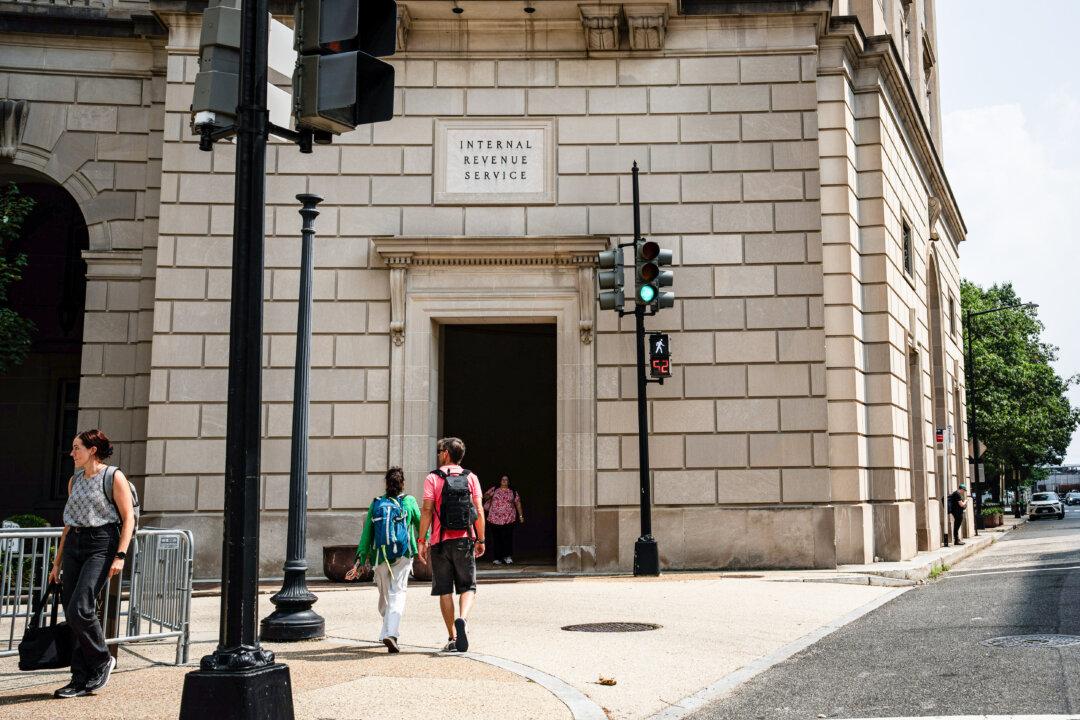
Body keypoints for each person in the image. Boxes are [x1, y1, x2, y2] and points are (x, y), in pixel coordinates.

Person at [47, 429, 135, 698]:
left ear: (92, 450)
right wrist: (56, 562)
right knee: (73, 615)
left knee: (80, 608)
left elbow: (128, 518)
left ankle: (101, 660)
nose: (72, 453)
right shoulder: (75, 481)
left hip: (101, 543)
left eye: (77, 448)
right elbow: (68, 524)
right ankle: (79, 678)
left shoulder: (113, 476)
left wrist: (120, 555)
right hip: (74, 543)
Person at [418, 437, 485, 653]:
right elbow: (479, 509)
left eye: (439, 451)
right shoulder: (471, 477)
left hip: (439, 542)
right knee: (468, 586)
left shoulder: (432, 478)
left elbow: (427, 510)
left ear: (446, 453)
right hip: (465, 539)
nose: (438, 455)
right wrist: (480, 539)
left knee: (445, 590)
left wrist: (422, 540)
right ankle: (463, 619)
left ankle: (453, 637)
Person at [345, 467, 421, 653]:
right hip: (403, 555)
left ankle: (385, 631)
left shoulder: (377, 503)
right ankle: (391, 633)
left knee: (385, 596)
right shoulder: (409, 501)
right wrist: (425, 542)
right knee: (398, 593)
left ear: (386, 484)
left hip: (379, 556)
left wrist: (361, 558)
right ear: (403, 483)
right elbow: (421, 523)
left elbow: (367, 534)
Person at [483, 474, 524, 565]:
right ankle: (497, 558)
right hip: (494, 518)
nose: (504, 481)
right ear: (500, 481)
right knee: (496, 539)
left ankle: (507, 557)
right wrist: (490, 495)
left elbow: (518, 503)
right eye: (502, 479)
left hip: (508, 519)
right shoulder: (494, 489)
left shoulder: (512, 491)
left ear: (509, 482)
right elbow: (484, 497)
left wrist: (521, 516)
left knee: (507, 539)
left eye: (506, 479)